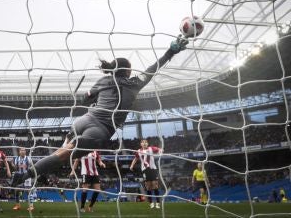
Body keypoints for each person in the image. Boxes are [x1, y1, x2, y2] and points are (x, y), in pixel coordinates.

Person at [11, 37, 189, 187]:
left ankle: (32, 172)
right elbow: (154, 68)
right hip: (100, 129)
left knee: (59, 152)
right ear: (128, 70)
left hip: (83, 120)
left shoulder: (104, 80)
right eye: (131, 68)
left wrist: (95, 97)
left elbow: (85, 99)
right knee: (62, 156)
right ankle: (26, 175)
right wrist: (171, 52)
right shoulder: (135, 83)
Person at [129, 139, 162, 209]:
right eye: (143, 142)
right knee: (148, 187)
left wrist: (160, 151)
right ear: (140, 144)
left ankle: (158, 203)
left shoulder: (151, 148)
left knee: (155, 186)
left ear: (148, 144)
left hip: (153, 169)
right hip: (145, 170)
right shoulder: (138, 151)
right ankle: (151, 203)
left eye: (146, 142)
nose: (144, 143)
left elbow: (159, 149)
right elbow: (135, 158)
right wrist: (132, 165)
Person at [11, 147, 34, 211]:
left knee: (28, 190)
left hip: (26, 176)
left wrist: (30, 174)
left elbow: (32, 167)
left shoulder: (28, 159)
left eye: (24, 150)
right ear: (19, 152)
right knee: (17, 190)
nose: (23, 151)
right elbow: (16, 168)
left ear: (25, 152)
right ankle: (17, 205)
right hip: (19, 176)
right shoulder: (16, 159)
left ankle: (31, 206)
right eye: (21, 150)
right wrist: (12, 165)